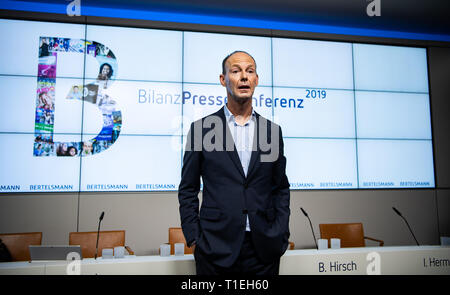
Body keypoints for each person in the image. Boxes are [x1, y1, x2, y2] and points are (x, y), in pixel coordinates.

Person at [178, 51, 290, 275]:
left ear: (256, 80)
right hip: (215, 249)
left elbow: (280, 188)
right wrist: (195, 238)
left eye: (250, 71)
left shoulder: (271, 132)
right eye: (236, 71)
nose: (244, 77)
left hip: (263, 250)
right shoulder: (202, 129)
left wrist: (280, 232)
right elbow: (188, 189)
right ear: (223, 79)